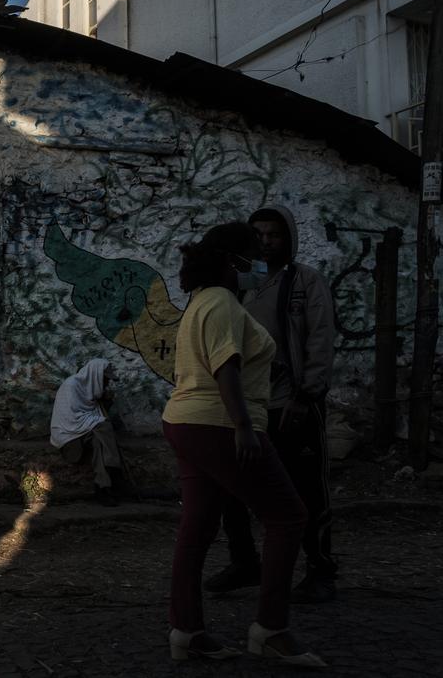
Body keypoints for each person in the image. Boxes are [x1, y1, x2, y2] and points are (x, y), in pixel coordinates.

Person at [161, 222, 324, 667]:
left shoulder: (203, 301)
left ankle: (187, 631)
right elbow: (225, 367)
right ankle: (271, 629)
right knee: (288, 517)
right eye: (252, 255)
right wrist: (243, 427)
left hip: (187, 422)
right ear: (232, 261)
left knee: (197, 526)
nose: (259, 263)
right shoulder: (222, 302)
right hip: (217, 424)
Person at [205, 207, 338, 603]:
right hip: (249, 406)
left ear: (288, 238)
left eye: (274, 234)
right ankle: (245, 561)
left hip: (291, 403)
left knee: (306, 490)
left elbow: (320, 341)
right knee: (232, 485)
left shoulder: (305, 282)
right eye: (258, 234)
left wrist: (306, 395)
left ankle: (320, 570)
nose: (265, 241)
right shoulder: (243, 283)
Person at [49, 359, 130, 506]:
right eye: (105, 379)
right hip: (69, 437)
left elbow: (94, 415)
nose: (107, 383)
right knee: (103, 426)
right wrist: (98, 418)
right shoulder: (72, 385)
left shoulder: (91, 391)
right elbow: (72, 420)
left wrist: (106, 401)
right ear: (96, 375)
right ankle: (114, 471)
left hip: (84, 433)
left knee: (99, 442)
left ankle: (103, 487)